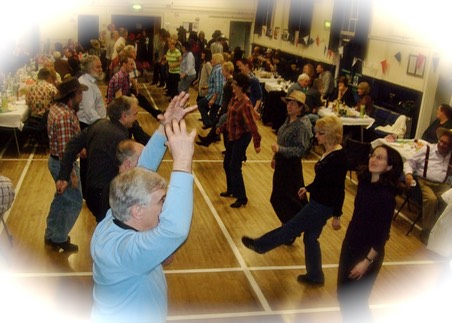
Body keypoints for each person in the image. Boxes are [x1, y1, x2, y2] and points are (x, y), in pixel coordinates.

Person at [91, 118, 196, 323]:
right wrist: (183, 160)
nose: (166, 207)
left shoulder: (113, 217)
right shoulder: (126, 253)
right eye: (162, 201)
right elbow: (174, 228)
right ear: (138, 211)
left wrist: (164, 127)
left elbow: (139, 173)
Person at [242, 115, 347, 285]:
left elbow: (338, 189)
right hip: (318, 201)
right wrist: (308, 188)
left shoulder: (339, 158)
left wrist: (337, 216)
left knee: (290, 227)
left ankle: (259, 245)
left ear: (330, 134)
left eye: (320, 133)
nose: (316, 136)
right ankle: (315, 276)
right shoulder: (328, 152)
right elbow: (324, 181)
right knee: (310, 239)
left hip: (322, 206)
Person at [337, 145, 403, 323]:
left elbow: (382, 235)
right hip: (351, 244)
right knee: (343, 296)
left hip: (368, 254)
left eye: (380, 158)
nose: (374, 159)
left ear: (389, 166)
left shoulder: (386, 197)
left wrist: (366, 262)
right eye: (373, 155)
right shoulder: (365, 183)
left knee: (356, 303)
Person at [44, 77, 88, 252]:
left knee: (60, 200)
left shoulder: (58, 109)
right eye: (79, 94)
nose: (81, 97)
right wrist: (72, 175)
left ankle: (50, 233)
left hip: (56, 161)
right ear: (71, 95)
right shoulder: (64, 116)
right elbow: (64, 151)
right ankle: (60, 238)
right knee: (75, 202)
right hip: (63, 165)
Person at [217, 73, 261, 208]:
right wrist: (222, 127)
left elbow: (252, 124)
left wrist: (257, 142)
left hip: (242, 137)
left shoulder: (246, 103)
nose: (232, 86)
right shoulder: (234, 98)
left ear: (241, 87)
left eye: (235, 84)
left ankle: (242, 197)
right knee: (226, 164)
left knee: (235, 166)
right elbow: (230, 117)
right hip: (232, 135)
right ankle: (231, 190)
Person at [270, 91, 313, 227]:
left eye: (293, 104)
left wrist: (280, 150)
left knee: (284, 198)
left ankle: (291, 227)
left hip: (291, 166)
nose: (289, 106)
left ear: (301, 107)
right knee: (282, 198)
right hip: (282, 163)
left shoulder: (302, 125)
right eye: (288, 103)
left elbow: (301, 150)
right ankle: (290, 226)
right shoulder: (289, 119)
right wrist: (275, 157)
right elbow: (281, 140)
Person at [403, 127, 452, 244]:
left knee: (450, 201)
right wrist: (408, 174)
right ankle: (426, 231)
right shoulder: (427, 149)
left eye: (446, 144)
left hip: (442, 185)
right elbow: (410, 162)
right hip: (424, 182)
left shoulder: (451, 155)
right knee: (432, 200)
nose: (442, 145)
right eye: (441, 141)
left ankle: (440, 230)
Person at [77, 55, 107, 196]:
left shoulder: (89, 82)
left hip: (92, 124)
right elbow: (89, 111)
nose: (101, 69)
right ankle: (86, 192)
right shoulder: (87, 85)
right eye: (98, 66)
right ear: (89, 69)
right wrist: (102, 125)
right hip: (89, 125)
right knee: (87, 160)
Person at [107, 54, 162, 120]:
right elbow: (118, 99)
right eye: (131, 64)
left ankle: (156, 113)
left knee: (141, 98)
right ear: (124, 64)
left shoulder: (125, 74)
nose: (133, 67)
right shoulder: (120, 77)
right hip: (117, 108)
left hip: (123, 101)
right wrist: (131, 100)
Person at [196, 61, 234, 147]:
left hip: (226, 108)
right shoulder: (228, 81)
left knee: (222, 126)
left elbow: (228, 98)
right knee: (217, 124)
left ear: (227, 71)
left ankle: (211, 141)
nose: (222, 72)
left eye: (223, 70)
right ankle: (208, 140)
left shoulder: (229, 83)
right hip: (225, 107)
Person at [198, 53, 224, 128]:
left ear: (216, 60)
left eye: (213, 59)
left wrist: (213, 99)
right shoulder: (216, 69)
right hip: (214, 94)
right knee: (213, 113)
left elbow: (219, 86)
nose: (211, 60)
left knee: (200, 104)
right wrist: (207, 87)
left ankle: (207, 122)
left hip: (215, 95)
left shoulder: (217, 70)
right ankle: (211, 126)